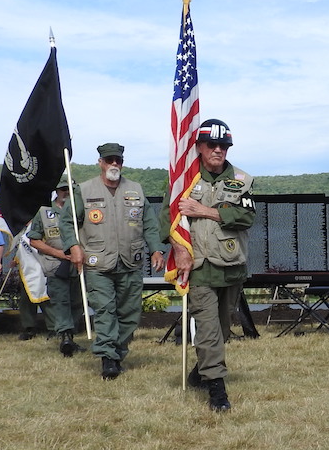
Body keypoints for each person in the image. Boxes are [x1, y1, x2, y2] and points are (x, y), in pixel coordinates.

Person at [164, 119, 256, 412]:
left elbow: (246, 218)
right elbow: (169, 219)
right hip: (200, 266)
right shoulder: (185, 180)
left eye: (223, 145)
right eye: (212, 145)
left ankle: (200, 371)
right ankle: (217, 390)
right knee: (207, 330)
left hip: (231, 266)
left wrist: (204, 210)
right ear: (200, 147)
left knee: (223, 329)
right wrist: (178, 248)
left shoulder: (242, 179)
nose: (218, 150)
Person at [60, 143, 163, 379]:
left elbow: (149, 223)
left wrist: (156, 249)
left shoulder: (136, 189)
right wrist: (73, 246)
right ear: (100, 163)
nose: (114, 164)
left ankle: (118, 353)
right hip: (98, 263)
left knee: (129, 313)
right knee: (106, 309)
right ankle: (107, 357)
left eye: (118, 160)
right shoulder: (84, 191)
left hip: (130, 262)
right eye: (109, 160)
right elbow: (67, 222)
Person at [27, 182, 83, 356]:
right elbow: (34, 240)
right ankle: (65, 336)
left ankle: (71, 338)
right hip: (56, 265)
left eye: (70, 190)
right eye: (63, 189)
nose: (66, 192)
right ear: (56, 191)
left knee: (77, 303)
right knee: (60, 302)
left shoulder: (80, 211)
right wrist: (59, 253)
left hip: (79, 265)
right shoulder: (44, 212)